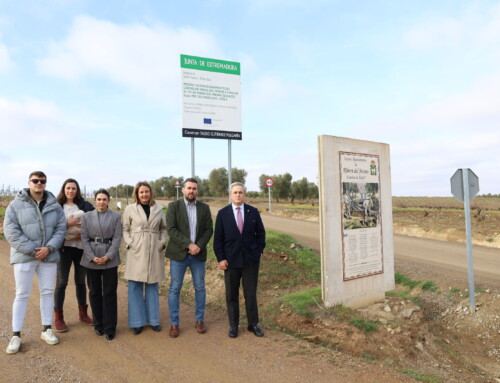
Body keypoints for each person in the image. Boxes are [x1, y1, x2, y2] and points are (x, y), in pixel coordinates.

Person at [3, 171, 66, 354]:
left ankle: (47, 329)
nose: (39, 183)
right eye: (35, 181)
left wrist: (48, 248)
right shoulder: (15, 205)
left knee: (47, 292)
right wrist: (33, 250)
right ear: (29, 182)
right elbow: (11, 231)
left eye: (42, 181)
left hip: (49, 255)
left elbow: (61, 229)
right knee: (21, 294)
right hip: (25, 256)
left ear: (46, 183)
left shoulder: (54, 205)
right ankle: (16, 335)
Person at [213, 182, 266, 339]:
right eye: (235, 192)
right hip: (230, 262)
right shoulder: (223, 214)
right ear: (230, 195)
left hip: (250, 261)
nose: (238, 195)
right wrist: (221, 259)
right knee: (231, 295)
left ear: (244, 194)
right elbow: (218, 240)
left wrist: (257, 253)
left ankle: (253, 324)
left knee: (250, 294)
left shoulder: (253, 212)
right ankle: (234, 326)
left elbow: (261, 235)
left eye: (240, 192)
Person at [165, 178, 213, 338]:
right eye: (189, 188)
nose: (191, 191)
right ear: (183, 190)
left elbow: (208, 229)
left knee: (199, 287)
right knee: (174, 288)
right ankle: (174, 323)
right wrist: (188, 245)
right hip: (178, 254)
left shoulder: (204, 208)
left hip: (198, 255)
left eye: (194, 188)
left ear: (197, 191)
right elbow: (171, 229)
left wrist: (198, 245)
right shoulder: (173, 206)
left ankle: (199, 320)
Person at [122, 182, 167, 335]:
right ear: (137, 193)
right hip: (136, 250)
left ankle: (154, 320)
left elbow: (164, 229)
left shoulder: (159, 209)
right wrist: (131, 243)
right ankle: (137, 322)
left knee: (152, 286)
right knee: (135, 286)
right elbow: (125, 229)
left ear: (150, 193)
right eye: (141, 192)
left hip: (154, 250)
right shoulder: (130, 209)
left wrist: (161, 243)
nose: (144, 195)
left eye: (146, 192)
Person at [53, 178, 95, 332]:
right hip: (63, 249)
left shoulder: (85, 206)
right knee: (62, 282)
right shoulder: (57, 206)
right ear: (63, 189)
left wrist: (84, 234)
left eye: (73, 188)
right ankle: (59, 317)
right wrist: (67, 225)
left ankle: (83, 314)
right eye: (68, 188)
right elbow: (50, 226)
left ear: (77, 190)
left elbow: (94, 222)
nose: (71, 191)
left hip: (80, 248)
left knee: (80, 281)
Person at [80, 189, 122, 341]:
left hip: (110, 258)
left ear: (108, 201)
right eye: (99, 199)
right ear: (95, 200)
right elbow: (83, 238)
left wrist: (108, 256)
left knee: (110, 292)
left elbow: (117, 238)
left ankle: (110, 327)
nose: (102, 202)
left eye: (104, 199)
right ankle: (99, 324)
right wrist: (91, 257)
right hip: (91, 258)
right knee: (94, 292)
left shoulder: (116, 216)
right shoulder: (86, 217)